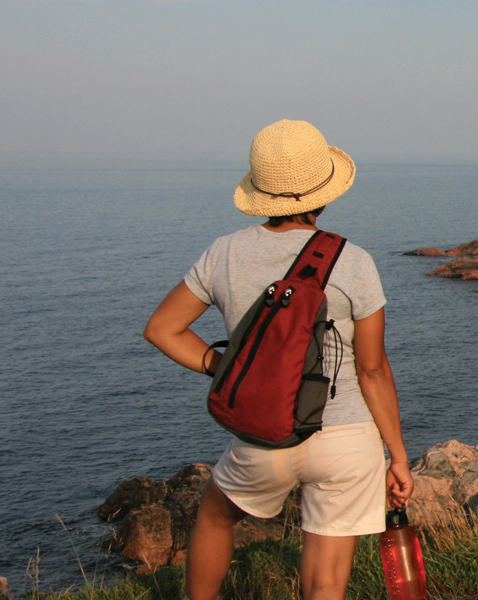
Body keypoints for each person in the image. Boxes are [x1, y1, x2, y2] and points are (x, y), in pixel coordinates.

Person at [143, 119, 414, 600]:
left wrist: (218, 365)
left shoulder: (223, 254)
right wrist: (397, 455)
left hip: (264, 436)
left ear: (261, 190)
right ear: (324, 192)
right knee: (326, 581)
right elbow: (373, 370)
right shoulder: (352, 261)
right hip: (347, 442)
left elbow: (162, 329)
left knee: (214, 514)